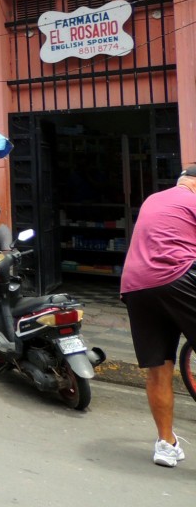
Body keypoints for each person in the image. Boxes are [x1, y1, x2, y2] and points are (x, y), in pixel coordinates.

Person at [120, 165, 196, 468]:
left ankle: (166, 444)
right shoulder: (192, 199)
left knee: (158, 368)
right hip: (177, 276)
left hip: (135, 285)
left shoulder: (154, 199)